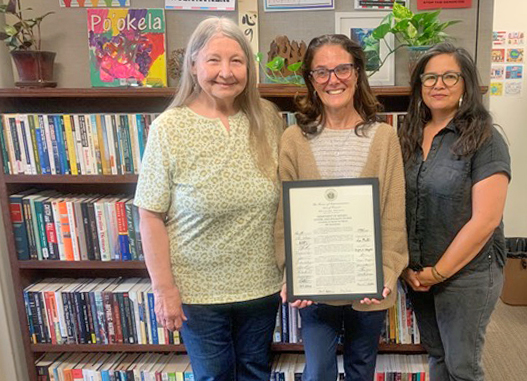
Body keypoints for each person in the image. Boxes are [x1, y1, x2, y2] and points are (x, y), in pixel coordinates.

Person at [134, 17, 284, 381]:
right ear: (193, 64)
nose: (226, 72)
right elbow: (150, 214)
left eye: (237, 60)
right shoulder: (170, 127)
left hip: (262, 287)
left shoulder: (268, 118)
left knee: (255, 373)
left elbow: (287, 200)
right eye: (214, 60)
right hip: (198, 293)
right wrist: (163, 289)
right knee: (214, 376)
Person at [274, 34, 408, 381]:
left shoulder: (383, 138)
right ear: (311, 80)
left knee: (361, 368)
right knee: (317, 371)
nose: (333, 79)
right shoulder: (293, 139)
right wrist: (293, 272)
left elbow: (394, 214)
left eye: (342, 69)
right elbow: (283, 218)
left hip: (369, 286)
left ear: (358, 73)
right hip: (315, 289)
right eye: (322, 71)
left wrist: (388, 271)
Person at [399, 42, 511, 381]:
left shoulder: (486, 139)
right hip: (419, 275)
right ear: (419, 86)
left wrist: (439, 272)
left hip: (467, 275)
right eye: (429, 78)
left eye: (450, 76)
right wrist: (410, 268)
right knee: (437, 356)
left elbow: (486, 220)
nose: (438, 85)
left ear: (466, 85)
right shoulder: (408, 133)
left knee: (463, 367)